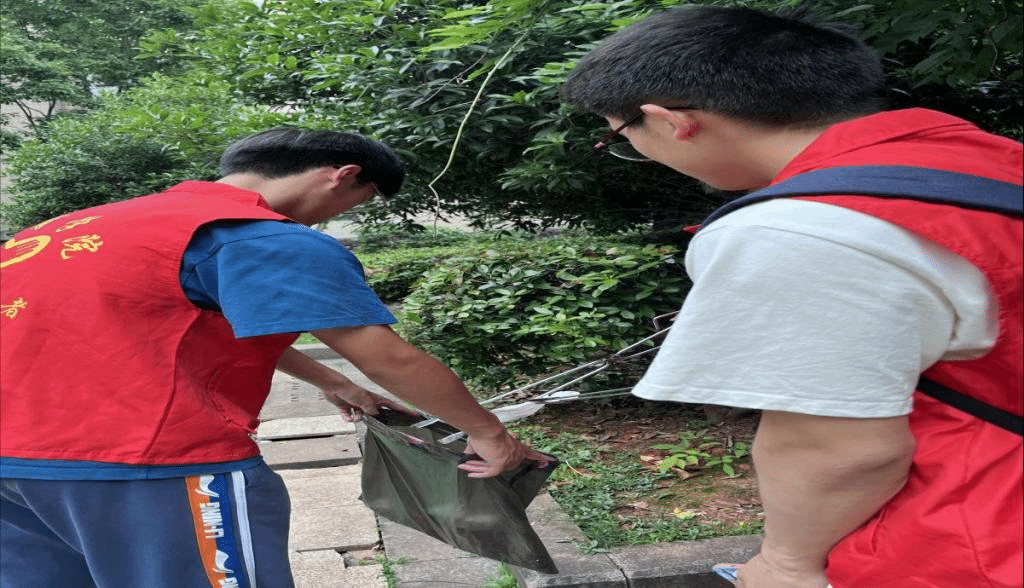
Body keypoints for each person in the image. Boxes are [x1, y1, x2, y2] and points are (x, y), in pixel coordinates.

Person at [560, 5, 1022, 588]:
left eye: (622, 137)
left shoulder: (795, 229)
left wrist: (785, 562)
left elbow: (839, 448)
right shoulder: (986, 160)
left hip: (973, 541)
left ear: (673, 120)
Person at [0, 128, 547, 588]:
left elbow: (172, 322)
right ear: (342, 176)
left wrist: (332, 381)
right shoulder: (256, 237)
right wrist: (489, 432)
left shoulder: (68, 229)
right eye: (356, 202)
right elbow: (391, 361)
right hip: (149, 465)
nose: (335, 217)